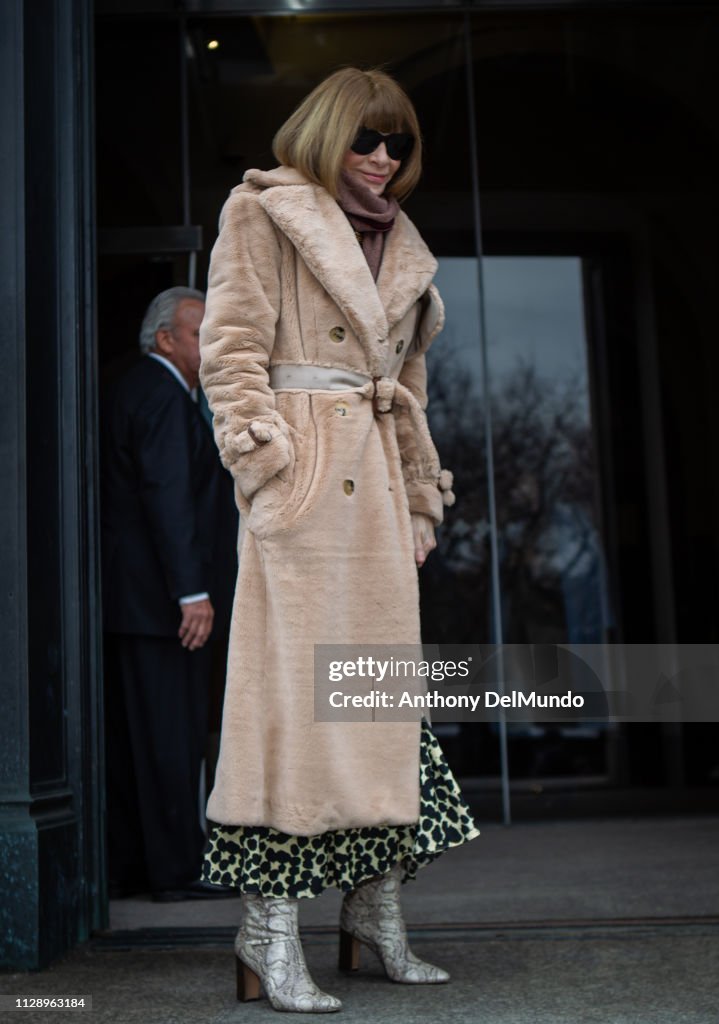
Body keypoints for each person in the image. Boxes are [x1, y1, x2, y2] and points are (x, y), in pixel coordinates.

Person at [199, 68, 479, 1012]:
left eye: (398, 145)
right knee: (295, 721)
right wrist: (265, 463)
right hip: (306, 493)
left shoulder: (404, 248)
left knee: (385, 716)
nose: (384, 160)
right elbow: (230, 347)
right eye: (367, 140)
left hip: (376, 507)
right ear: (326, 138)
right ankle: (267, 934)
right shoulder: (263, 213)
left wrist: (417, 508)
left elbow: (410, 394)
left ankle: (372, 915)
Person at [101, 286, 236, 902]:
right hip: (164, 610)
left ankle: (140, 867)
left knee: (143, 742)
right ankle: (176, 870)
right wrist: (192, 593)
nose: (210, 346)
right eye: (200, 334)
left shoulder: (147, 391)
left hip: (142, 607)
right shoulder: (161, 396)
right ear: (166, 340)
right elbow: (168, 499)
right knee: (168, 740)